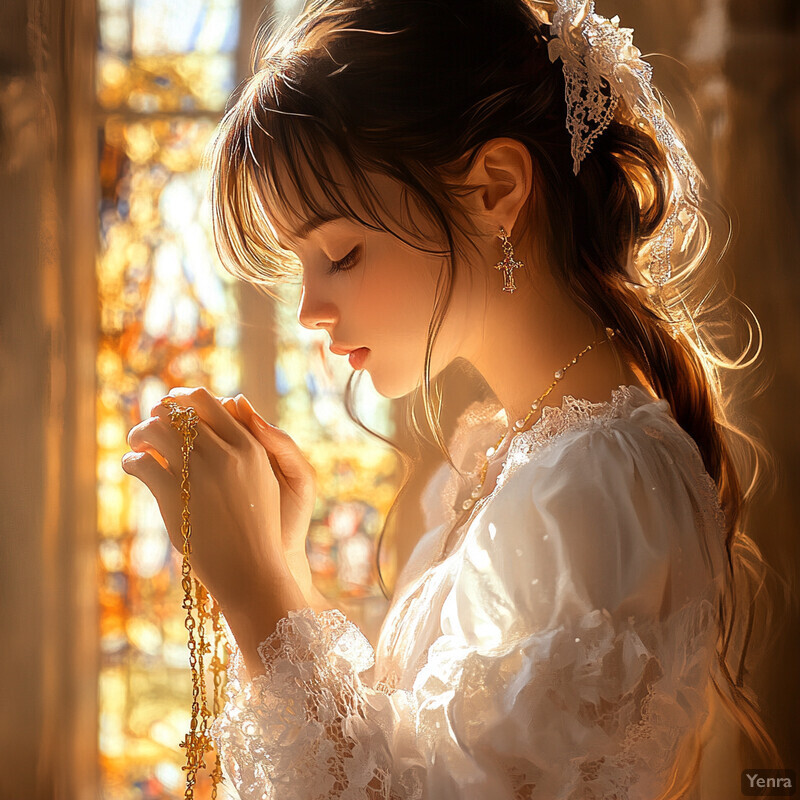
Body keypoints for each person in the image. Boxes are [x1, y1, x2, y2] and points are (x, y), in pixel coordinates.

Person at [121, 0, 785, 797]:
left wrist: (261, 588)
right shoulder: (514, 457)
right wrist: (282, 562)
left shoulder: (595, 481)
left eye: (341, 252)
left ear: (496, 189)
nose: (308, 309)